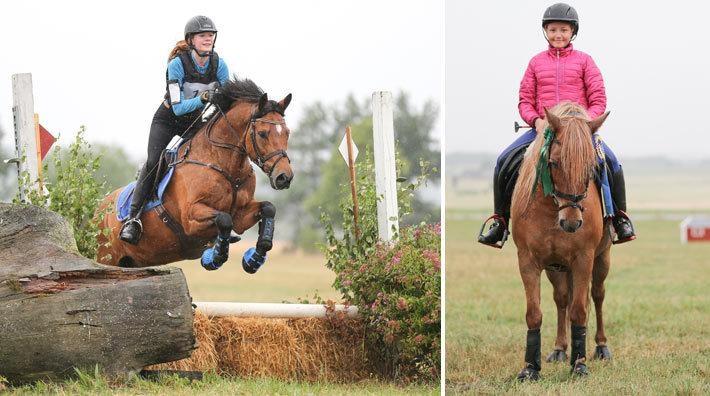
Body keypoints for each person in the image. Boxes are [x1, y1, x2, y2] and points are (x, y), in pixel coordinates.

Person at [477, 3, 636, 248]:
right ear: (545, 32)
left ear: (573, 32)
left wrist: (582, 125)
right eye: (552, 30)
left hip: (580, 133)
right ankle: (500, 221)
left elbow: (598, 100)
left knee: (611, 163)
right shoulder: (535, 63)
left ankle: (619, 219)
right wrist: (536, 121)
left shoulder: (586, 61)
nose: (558, 35)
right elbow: (525, 100)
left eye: (563, 29)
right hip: (543, 130)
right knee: (502, 161)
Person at [120, 15, 231, 244]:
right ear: (191, 40)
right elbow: (179, 109)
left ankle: (213, 218)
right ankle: (133, 218)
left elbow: (227, 101)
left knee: (210, 159)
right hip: (168, 119)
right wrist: (205, 98)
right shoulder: (177, 65)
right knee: (154, 162)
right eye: (203, 35)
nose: (208, 38)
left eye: (211, 35)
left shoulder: (220, 65)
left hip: (197, 121)